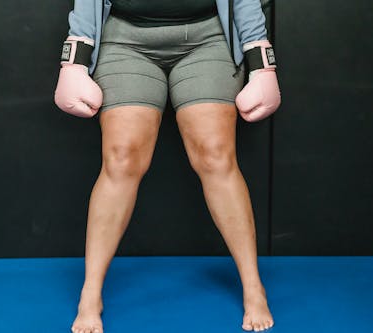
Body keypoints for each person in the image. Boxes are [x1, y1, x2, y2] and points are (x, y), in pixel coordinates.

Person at [54, 1, 281, 332]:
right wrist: (74, 60)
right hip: (125, 36)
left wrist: (262, 63)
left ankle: (253, 286)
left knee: (215, 154)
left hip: (209, 34)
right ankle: (90, 293)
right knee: (121, 157)